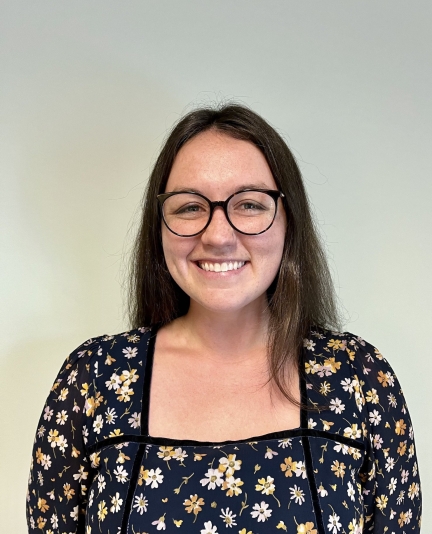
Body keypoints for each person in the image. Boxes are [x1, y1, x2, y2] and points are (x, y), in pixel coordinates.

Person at [26, 104, 422, 534]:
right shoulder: (96, 378)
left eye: (249, 204)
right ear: (159, 226)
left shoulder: (359, 378)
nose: (217, 235)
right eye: (190, 207)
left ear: (289, 219)